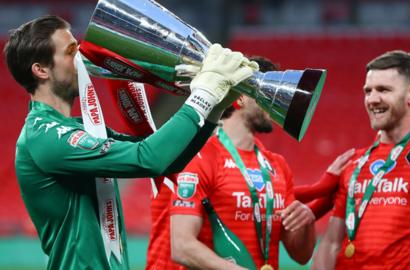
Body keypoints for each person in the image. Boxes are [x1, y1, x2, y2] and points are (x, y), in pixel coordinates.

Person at [4, 15, 258, 269]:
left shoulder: (79, 128)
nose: (81, 59)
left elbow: (168, 159)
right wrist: (203, 95)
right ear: (41, 70)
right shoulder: (44, 135)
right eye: (71, 52)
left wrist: (216, 108)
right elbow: (149, 158)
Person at [167, 57, 316, 269]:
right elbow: (181, 246)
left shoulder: (278, 166)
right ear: (242, 96)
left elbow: (300, 256)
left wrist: (307, 223)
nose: (276, 103)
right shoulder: (201, 158)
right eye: (269, 94)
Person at [312, 50, 410, 269]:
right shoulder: (355, 163)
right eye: (368, 91)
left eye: (383, 90)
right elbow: (331, 243)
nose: (372, 99)